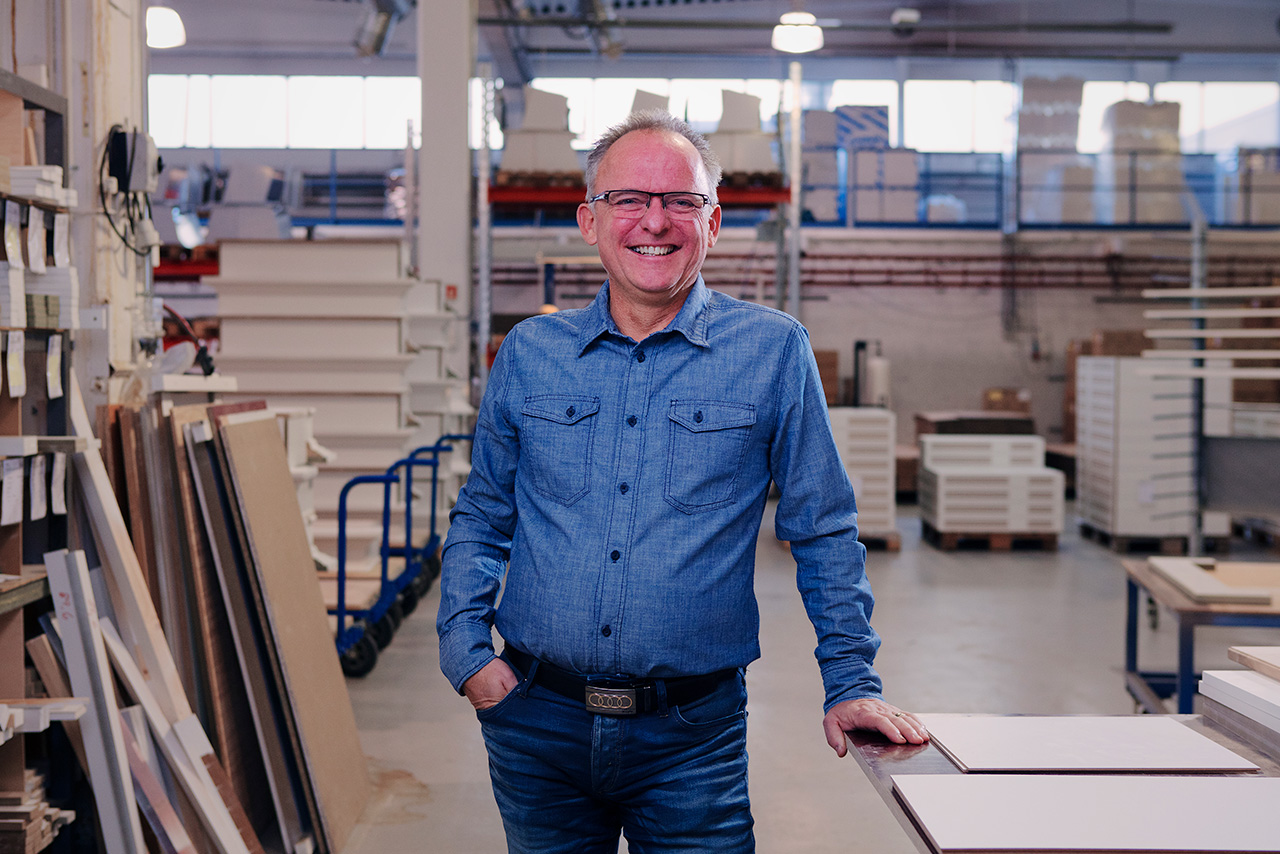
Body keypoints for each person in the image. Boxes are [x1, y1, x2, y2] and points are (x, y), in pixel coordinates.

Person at [436, 109, 927, 853]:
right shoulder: (531, 353)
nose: (655, 221)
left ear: (714, 222)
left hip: (693, 737)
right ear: (590, 221)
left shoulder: (772, 352)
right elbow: (483, 512)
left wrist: (851, 681)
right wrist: (466, 651)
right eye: (629, 199)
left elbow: (822, 526)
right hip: (536, 724)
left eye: (680, 201)